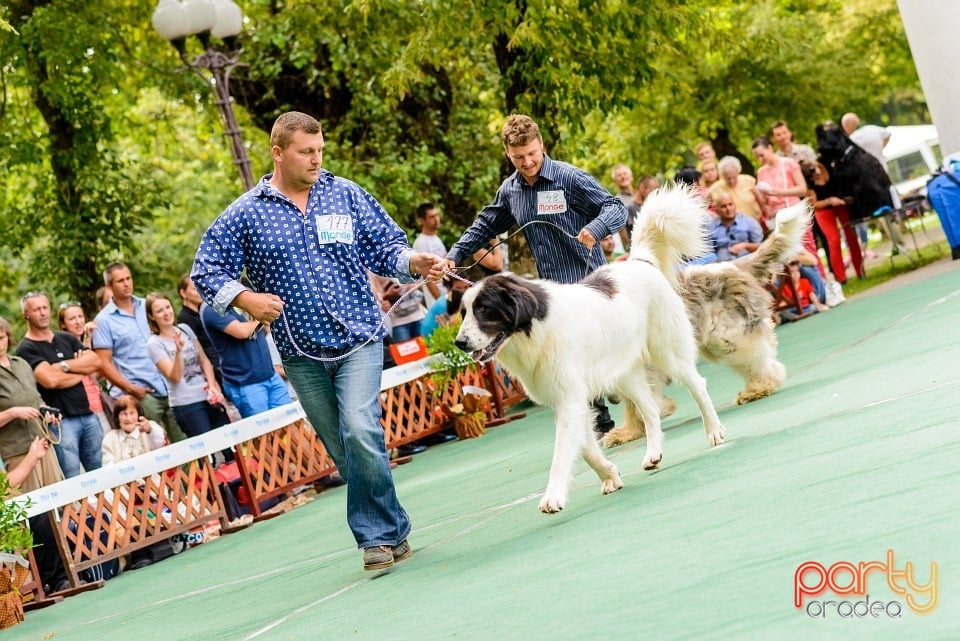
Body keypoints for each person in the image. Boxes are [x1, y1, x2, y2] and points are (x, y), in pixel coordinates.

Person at [192, 111, 443, 570]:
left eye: (320, 150)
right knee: (346, 453)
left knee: (362, 430)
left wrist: (414, 261)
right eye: (306, 151)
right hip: (300, 353)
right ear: (278, 152)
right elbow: (205, 271)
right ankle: (395, 527)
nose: (316, 159)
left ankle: (374, 539)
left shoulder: (343, 193)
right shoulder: (247, 213)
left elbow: (386, 245)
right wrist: (247, 298)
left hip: (360, 338)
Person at [440, 114, 626, 436]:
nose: (527, 162)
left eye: (532, 154)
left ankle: (613, 382)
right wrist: (454, 255)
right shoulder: (510, 190)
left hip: (588, 282)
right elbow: (485, 225)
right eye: (518, 157)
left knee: (600, 357)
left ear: (541, 144)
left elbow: (615, 207)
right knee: (570, 359)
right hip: (553, 293)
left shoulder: (568, 177)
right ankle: (601, 425)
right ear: (507, 153)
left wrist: (595, 229)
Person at [93, 262, 185, 443]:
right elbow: (103, 363)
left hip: (170, 385)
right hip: (142, 394)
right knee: (151, 446)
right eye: (120, 281)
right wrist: (131, 389)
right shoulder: (103, 321)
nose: (127, 283)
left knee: (184, 442)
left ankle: (192, 471)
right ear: (110, 287)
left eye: (128, 278)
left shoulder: (148, 306)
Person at [16, 293, 103, 478]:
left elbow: (95, 361)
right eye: (36, 309)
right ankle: (79, 509)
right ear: (26, 314)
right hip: (60, 422)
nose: (42, 313)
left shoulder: (66, 338)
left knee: (100, 472)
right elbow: (50, 380)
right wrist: (81, 371)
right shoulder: (26, 348)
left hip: (88, 415)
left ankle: (103, 508)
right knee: (72, 478)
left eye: (45, 308)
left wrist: (63, 367)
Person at [145, 293, 229, 439]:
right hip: (187, 404)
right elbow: (175, 377)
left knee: (229, 445)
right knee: (207, 454)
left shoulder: (184, 329)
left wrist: (212, 386)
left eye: (167, 307)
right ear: (151, 316)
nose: (166, 313)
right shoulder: (154, 343)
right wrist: (178, 351)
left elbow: (204, 360)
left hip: (208, 396)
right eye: (159, 311)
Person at [0, 316, 65, 492]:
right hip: (16, 450)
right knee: (32, 508)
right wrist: (12, 412)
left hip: (42, 441)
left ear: (8, 337)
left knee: (57, 498)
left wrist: (46, 413)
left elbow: (36, 399)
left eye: (1, 338)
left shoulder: (21, 364)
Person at [199, 300, 291, 418]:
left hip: (271, 376)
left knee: (289, 426)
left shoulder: (245, 296)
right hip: (247, 384)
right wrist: (264, 316)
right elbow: (242, 331)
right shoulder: (211, 308)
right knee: (263, 434)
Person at [752, 136, 826, 277]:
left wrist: (778, 192)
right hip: (777, 217)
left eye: (762, 155)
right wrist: (759, 194)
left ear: (769, 148)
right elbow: (766, 201)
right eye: (757, 157)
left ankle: (822, 283)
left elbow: (802, 189)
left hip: (794, 211)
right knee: (789, 254)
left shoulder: (789, 163)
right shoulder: (761, 172)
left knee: (808, 248)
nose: (760, 159)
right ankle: (804, 291)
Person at [176, 274, 223, 386]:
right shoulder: (184, 318)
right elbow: (197, 350)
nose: (199, 291)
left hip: (221, 363)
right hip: (212, 370)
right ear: (183, 293)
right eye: (194, 289)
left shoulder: (203, 312)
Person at [710, 156, 767, 224]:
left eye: (734, 177)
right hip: (733, 227)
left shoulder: (748, 180)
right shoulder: (716, 188)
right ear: (722, 176)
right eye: (728, 178)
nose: (731, 181)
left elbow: (760, 201)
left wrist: (766, 216)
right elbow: (703, 205)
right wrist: (714, 216)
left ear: (738, 172)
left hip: (756, 222)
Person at [708, 193, 764, 262]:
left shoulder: (749, 222)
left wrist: (745, 245)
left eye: (730, 204)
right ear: (717, 210)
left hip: (746, 264)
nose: (728, 209)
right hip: (721, 267)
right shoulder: (711, 227)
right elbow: (708, 253)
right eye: (723, 206)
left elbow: (762, 247)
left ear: (735, 205)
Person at [411, 203, 447, 306]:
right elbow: (427, 276)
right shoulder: (420, 243)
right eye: (431, 217)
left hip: (446, 294)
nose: (436, 219)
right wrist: (440, 301)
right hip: (437, 301)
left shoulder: (437, 239)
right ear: (421, 221)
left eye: (437, 215)